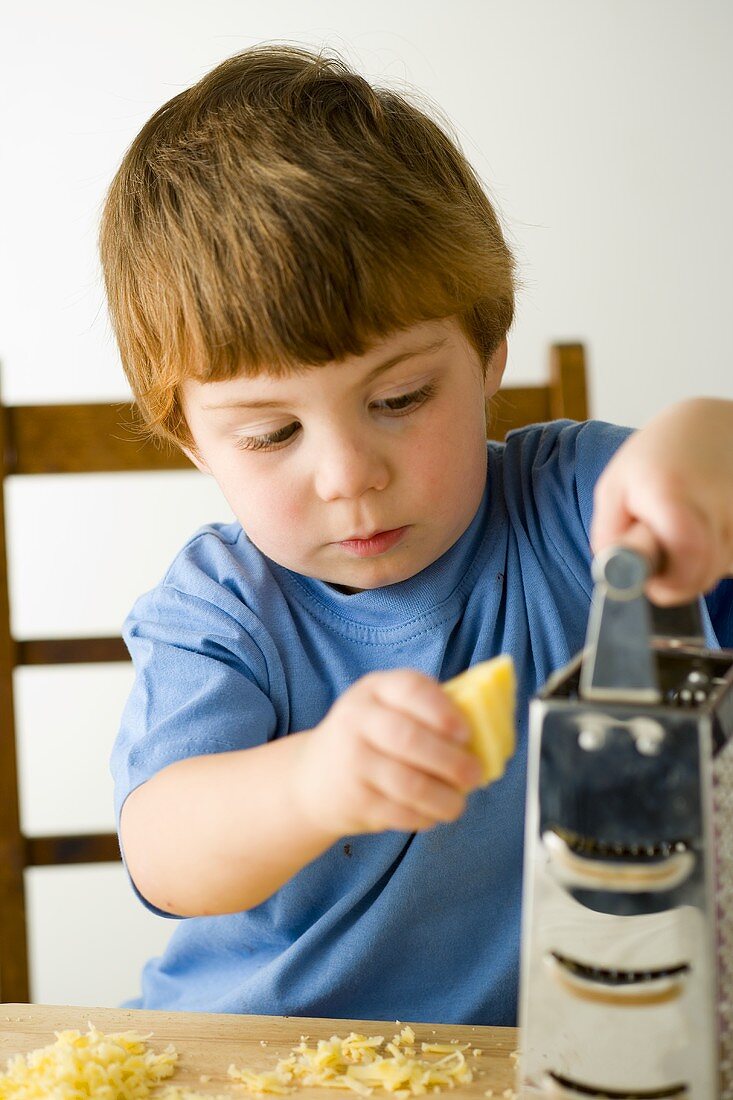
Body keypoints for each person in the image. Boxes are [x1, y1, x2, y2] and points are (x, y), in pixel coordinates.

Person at [100, 44, 733, 1024]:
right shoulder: (221, 607)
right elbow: (164, 850)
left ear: (487, 356)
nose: (348, 473)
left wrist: (706, 440)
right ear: (193, 442)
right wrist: (313, 781)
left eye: (398, 397)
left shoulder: (582, 507)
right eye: (271, 432)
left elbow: (707, 474)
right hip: (258, 1058)